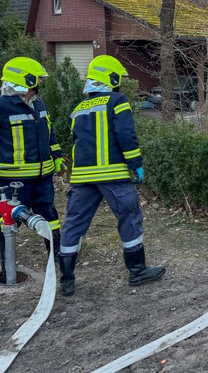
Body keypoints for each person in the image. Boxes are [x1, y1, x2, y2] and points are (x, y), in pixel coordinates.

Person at [58, 55, 165, 296]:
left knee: (74, 223)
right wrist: (136, 163)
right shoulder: (118, 101)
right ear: (111, 78)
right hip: (113, 175)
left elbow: (76, 141)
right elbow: (125, 135)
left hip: (82, 177)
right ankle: (137, 272)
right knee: (129, 216)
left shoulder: (78, 108)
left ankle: (66, 279)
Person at [0, 57, 65, 257]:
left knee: (50, 217)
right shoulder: (2, 106)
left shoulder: (39, 104)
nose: (41, 82)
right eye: (38, 78)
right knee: (9, 222)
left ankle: (58, 253)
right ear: (25, 80)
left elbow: (49, 132)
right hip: (13, 181)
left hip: (43, 178)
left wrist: (57, 155)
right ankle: (4, 263)